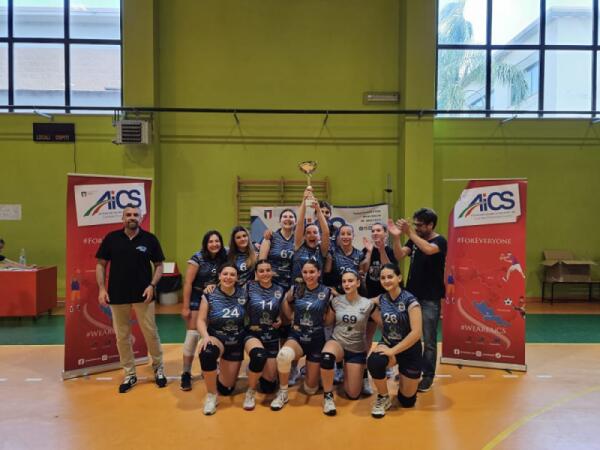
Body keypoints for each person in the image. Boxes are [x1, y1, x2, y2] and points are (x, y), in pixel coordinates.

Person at [95, 205, 167, 393]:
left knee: (151, 333)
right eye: (128, 215)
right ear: (122, 218)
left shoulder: (150, 239)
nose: (132, 217)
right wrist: (102, 289)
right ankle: (129, 373)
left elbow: (159, 265)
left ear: (141, 218)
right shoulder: (112, 238)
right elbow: (101, 264)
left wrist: (152, 285)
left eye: (135, 214)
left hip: (144, 295)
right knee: (122, 336)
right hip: (117, 295)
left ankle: (158, 368)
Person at [270, 260, 334, 411]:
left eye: (312, 272)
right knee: (284, 355)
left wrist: (324, 321)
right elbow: (285, 301)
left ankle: (310, 371)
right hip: (298, 336)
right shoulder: (296, 289)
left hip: (316, 340)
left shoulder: (327, 292)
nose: (308, 275)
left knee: (310, 389)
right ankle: (283, 392)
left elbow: (330, 317)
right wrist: (290, 316)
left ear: (319, 273)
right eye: (305, 272)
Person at [396, 208, 447, 393]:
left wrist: (409, 232)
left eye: (420, 225)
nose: (416, 228)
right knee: (409, 336)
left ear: (431, 225)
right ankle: (410, 370)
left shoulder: (440, 241)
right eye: (415, 224)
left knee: (429, 339)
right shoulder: (414, 239)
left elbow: (428, 249)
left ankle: (427, 376)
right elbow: (399, 255)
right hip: (411, 296)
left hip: (430, 299)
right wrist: (396, 237)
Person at [367, 264, 422, 418]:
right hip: (388, 343)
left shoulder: (410, 301)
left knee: (407, 401)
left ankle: (407, 380)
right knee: (374, 361)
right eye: (383, 278)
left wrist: (392, 351)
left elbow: (417, 333)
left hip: (409, 349)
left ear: (399, 278)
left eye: (390, 277)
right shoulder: (382, 298)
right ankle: (383, 397)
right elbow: (363, 302)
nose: (386, 280)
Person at [320, 269, 376, 416]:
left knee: (353, 394)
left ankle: (361, 372)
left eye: (350, 281)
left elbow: (382, 323)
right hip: (338, 342)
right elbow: (327, 323)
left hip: (356, 349)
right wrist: (320, 307)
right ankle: (328, 396)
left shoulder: (368, 304)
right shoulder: (336, 301)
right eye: (344, 281)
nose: (346, 284)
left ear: (358, 283)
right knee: (327, 357)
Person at [197, 264, 248, 415]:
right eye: (225, 274)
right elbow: (200, 320)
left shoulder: (244, 294)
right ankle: (211, 396)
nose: (228, 277)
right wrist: (205, 337)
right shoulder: (209, 294)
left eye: (232, 274)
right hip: (217, 337)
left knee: (226, 389)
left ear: (237, 278)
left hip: (236, 341)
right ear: (219, 276)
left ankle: (218, 371)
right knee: (207, 353)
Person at [179, 230, 227, 391]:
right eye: (211, 241)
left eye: (217, 241)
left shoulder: (225, 256)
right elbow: (188, 283)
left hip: (216, 298)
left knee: (213, 333)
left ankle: (211, 366)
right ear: (205, 244)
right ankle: (186, 372)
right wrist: (185, 307)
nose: (214, 244)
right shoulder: (197, 258)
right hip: (197, 297)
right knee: (193, 334)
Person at [243, 259, 286, 410]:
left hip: (271, 335)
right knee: (259, 356)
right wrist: (212, 286)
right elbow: (230, 291)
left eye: (268, 270)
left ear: (272, 271)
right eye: (261, 271)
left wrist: (280, 317)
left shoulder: (279, 289)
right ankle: (250, 391)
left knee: (269, 386)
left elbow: (281, 310)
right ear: (256, 273)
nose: (265, 273)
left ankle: (254, 369)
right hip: (253, 333)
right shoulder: (249, 286)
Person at [291, 188, 330, 284]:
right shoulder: (299, 246)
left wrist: (318, 209)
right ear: (304, 237)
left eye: (315, 232)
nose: (312, 234)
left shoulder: (322, 250)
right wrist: (304, 200)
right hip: (298, 290)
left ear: (319, 237)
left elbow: (326, 232)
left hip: (317, 291)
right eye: (308, 232)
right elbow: (300, 222)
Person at [258, 208, 297, 291]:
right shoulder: (270, 237)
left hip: (290, 284)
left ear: (296, 222)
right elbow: (261, 263)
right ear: (280, 221)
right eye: (285, 216)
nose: (288, 218)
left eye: (291, 217)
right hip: (272, 283)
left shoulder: (298, 240)